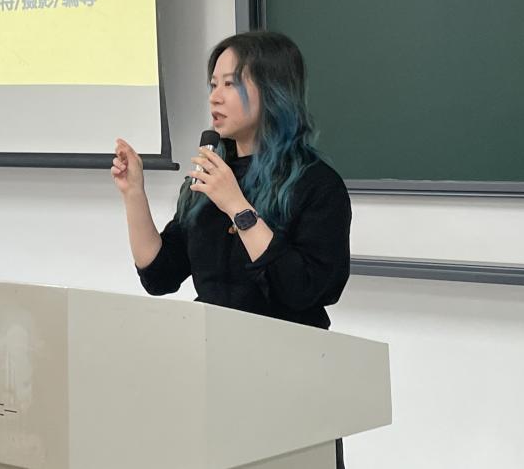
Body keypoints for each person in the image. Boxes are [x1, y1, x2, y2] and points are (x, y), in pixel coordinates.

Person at [111, 30, 352, 467]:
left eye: (231, 83)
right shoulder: (209, 177)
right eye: (213, 84)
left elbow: (305, 289)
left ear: (274, 91)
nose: (215, 97)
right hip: (213, 372)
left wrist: (238, 207)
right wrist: (134, 194)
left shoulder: (317, 185)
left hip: (290, 382)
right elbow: (160, 274)